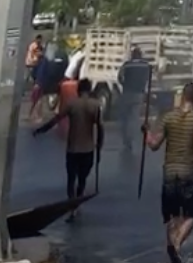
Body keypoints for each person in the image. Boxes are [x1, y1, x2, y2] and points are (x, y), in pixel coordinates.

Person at [145, 81, 193, 263]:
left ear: (182, 96)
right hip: (189, 172)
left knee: (172, 215)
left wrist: (147, 133)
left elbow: (154, 145)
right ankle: (176, 244)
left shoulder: (168, 117)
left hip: (169, 173)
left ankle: (171, 246)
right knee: (191, 215)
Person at [33, 76, 103, 219]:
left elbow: (56, 119)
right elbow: (101, 128)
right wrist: (99, 147)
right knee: (82, 179)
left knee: (71, 179)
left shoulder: (72, 104)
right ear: (89, 90)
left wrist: (41, 130)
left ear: (78, 90)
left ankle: (72, 206)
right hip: (88, 149)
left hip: (73, 148)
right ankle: (77, 203)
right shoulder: (95, 106)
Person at [117, 45, 152, 151]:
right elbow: (149, 78)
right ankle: (130, 139)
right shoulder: (145, 65)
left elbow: (119, 77)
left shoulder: (127, 65)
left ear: (132, 55)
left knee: (125, 117)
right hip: (139, 94)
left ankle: (126, 139)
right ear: (140, 55)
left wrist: (124, 84)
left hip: (127, 93)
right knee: (134, 118)